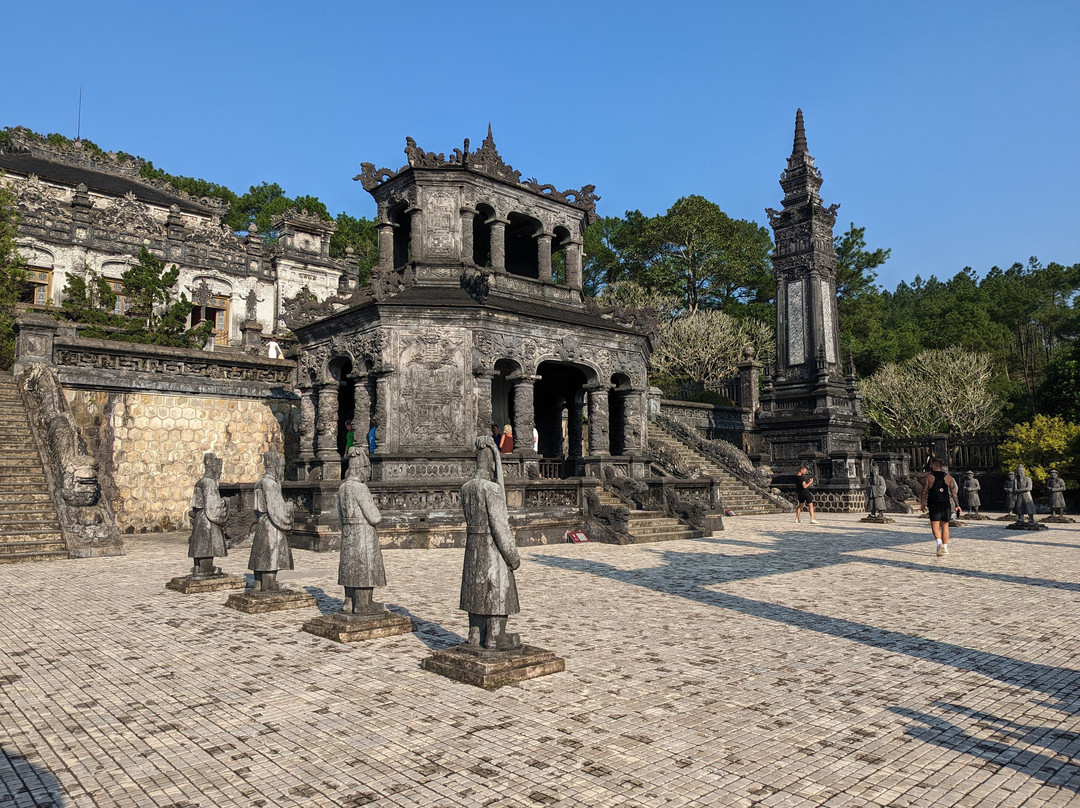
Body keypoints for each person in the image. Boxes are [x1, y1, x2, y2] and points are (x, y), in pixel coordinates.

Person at [460, 436, 521, 650]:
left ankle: (475, 633)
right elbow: (500, 525)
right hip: (491, 547)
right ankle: (495, 635)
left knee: (475, 589)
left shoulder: (466, 488)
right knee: (497, 588)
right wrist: (513, 556)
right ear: (493, 464)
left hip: (473, 547)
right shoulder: (491, 490)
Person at [337, 447, 386, 615]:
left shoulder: (342, 488)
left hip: (348, 531)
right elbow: (373, 516)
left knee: (350, 565)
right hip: (363, 532)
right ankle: (363, 604)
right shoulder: (360, 488)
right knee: (364, 566)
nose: (368, 473)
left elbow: (339, 514)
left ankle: (349, 601)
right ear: (361, 469)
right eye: (367, 469)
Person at [248, 450, 294, 591]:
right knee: (270, 554)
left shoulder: (260, 483)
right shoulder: (271, 484)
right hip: (271, 525)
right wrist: (289, 507)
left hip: (262, 522)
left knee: (261, 553)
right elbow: (277, 510)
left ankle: (258, 583)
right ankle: (269, 585)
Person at [188, 452, 228, 575]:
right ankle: (205, 569)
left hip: (200, 518)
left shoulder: (200, 482)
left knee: (201, 546)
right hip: (207, 520)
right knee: (207, 546)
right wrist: (225, 503)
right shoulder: (209, 483)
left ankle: (198, 568)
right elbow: (213, 508)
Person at [920, 458, 961, 556]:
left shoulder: (928, 477)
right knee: (945, 525)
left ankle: (939, 544)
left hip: (934, 504)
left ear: (932, 464)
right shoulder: (949, 477)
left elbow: (924, 491)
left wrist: (922, 503)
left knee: (935, 525)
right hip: (945, 504)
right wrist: (957, 505)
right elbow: (954, 492)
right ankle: (945, 547)